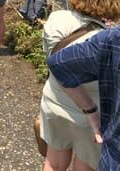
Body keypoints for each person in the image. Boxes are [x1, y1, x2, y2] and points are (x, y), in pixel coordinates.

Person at [39, 0, 120, 171]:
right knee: (84, 166)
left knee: (53, 160)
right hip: (91, 115)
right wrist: (91, 112)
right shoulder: (106, 39)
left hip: (53, 101)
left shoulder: (57, 18)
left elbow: (53, 61)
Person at [48, 27, 120, 171]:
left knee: (54, 160)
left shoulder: (113, 39)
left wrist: (91, 111)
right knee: (84, 161)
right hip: (83, 119)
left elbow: (58, 63)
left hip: (55, 101)